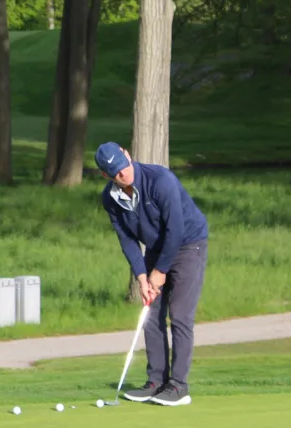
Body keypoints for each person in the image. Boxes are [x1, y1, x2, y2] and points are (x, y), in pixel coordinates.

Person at [95, 141, 209, 407]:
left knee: (179, 315)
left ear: (126, 153)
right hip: (156, 250)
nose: (124, 175)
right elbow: (126, 240)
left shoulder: (161, 180)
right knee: (151, 313)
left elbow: (176, 230)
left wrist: (159, 271)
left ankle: (179, 387)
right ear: (106, 176)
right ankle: (156, 381)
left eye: (124, 167)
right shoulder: (109, 198)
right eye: (117, 174)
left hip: (189, 244)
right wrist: (142, 276)